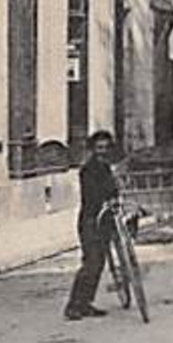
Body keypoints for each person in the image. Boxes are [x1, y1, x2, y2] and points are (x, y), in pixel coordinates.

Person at [65, 130, 118, 320]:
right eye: (99, 148)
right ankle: (73, 305)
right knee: (91, 263)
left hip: (104, 220)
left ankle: (86, 304)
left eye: (106, 148)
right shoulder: (88, 170)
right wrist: (105, 201)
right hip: (90, 220)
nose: (102, 151)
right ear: (93, 150)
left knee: (99, 263)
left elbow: (113, 191)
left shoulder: (106, 168)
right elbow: (91, 195)